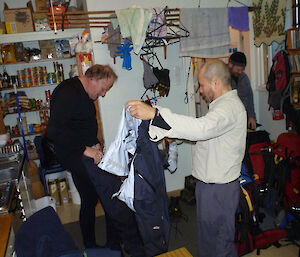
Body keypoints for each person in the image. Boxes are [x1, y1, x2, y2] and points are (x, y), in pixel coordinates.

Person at [126, 60, 247, 257]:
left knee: (221, 243)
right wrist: (176, 135)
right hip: (210, 186)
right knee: (208, 239)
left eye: (202, 84)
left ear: (215, 82)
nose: (200, 90)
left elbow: (203, 129)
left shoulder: (230, 108)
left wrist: (155, 115)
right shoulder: (221, 106)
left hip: (219, 189)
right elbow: (209, 133)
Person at [46, 65, 144, 257]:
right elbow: (54, 133)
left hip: (85, 153)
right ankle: (106, 246)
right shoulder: (68, 93)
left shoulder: (85, 94)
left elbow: (82, 126)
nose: (104, 93)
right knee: (107, 196)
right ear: (94, 79)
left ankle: (105, 246)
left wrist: (96, 145)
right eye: (104, 88)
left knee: (92, 199)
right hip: (75, 156)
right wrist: (86, 150)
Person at [228, 51, 257, 130]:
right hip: (228, 119)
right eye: (238, 69)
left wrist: (251, 116)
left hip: (243, 118)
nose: (240, 72)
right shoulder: (223, 78)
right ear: (230, 65)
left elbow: (249, 97)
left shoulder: (244, 78)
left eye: (242, 70)